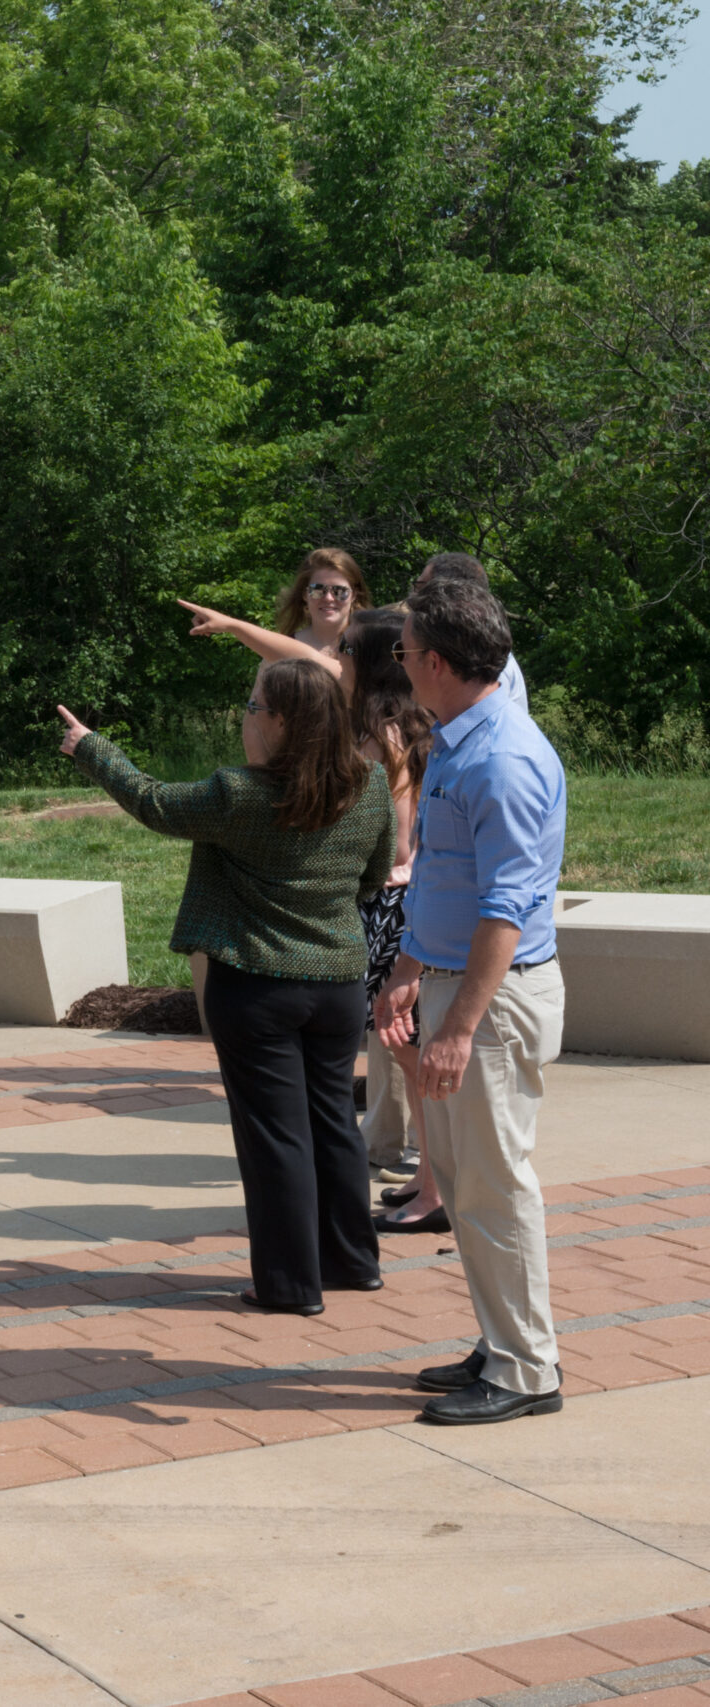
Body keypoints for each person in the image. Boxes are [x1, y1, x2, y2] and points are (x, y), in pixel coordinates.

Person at [59, 657, 395, 1315]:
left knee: (276, 1137)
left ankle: (290, 1285)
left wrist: (90, 748)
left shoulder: (238, 793)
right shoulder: (373, 784)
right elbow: (373, 876)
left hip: (257, 987)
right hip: (337, 986)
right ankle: (354, 1262)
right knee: (334, 1123)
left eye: (250, 706)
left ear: (278, 722)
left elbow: (152, 802)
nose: (243, 718)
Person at [376, 575, 567, 1425]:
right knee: (458, 1179)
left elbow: (505, 914)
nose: (401, 664)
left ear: (441, 662)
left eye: (406, 652)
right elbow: (451, 883)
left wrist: (456, 1028)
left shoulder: (503, 758)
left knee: (494, 1187)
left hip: (491, 1002)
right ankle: (502, 1342)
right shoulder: (458, 738)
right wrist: (409, 965)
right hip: (454, 988)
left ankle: (527, 1371)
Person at [337, 612, 440, 1230]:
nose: (338, 658)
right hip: (405, 905)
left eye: (347, 649)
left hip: (389, 905)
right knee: (409, 1055)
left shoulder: (381, 735)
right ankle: (429, 1180)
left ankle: (434, 1190)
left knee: (408, 1053)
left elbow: (399, 845)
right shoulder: (410, 725)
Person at [176, 547, 370, 679]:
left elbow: (335, 674)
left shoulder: (373, 644)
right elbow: (257, 719)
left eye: (339, 591)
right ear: (304, 595)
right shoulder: (274, 652)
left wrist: (232, 625)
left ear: (354, 595)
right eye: (318, 590)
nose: (328, 598)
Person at [408, 553, 529, 710]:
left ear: (447, 593)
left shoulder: (486, 667)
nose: (412, 595)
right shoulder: (468, 648)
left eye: (420, 586)